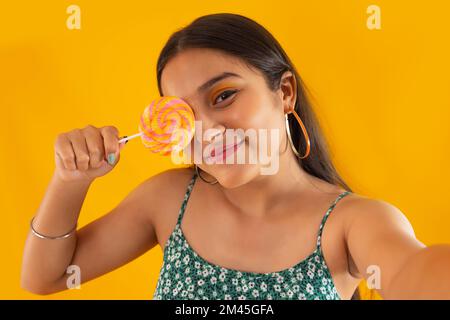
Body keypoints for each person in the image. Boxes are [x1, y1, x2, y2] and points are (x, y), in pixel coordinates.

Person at [21, 13, 450, 300]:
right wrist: (70, 179)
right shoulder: (169, 200)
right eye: (185, 113)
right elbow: (45, 278)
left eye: (223, 96)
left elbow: (412, 272)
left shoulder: (354, 222)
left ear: (284, 93)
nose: (205, 129)